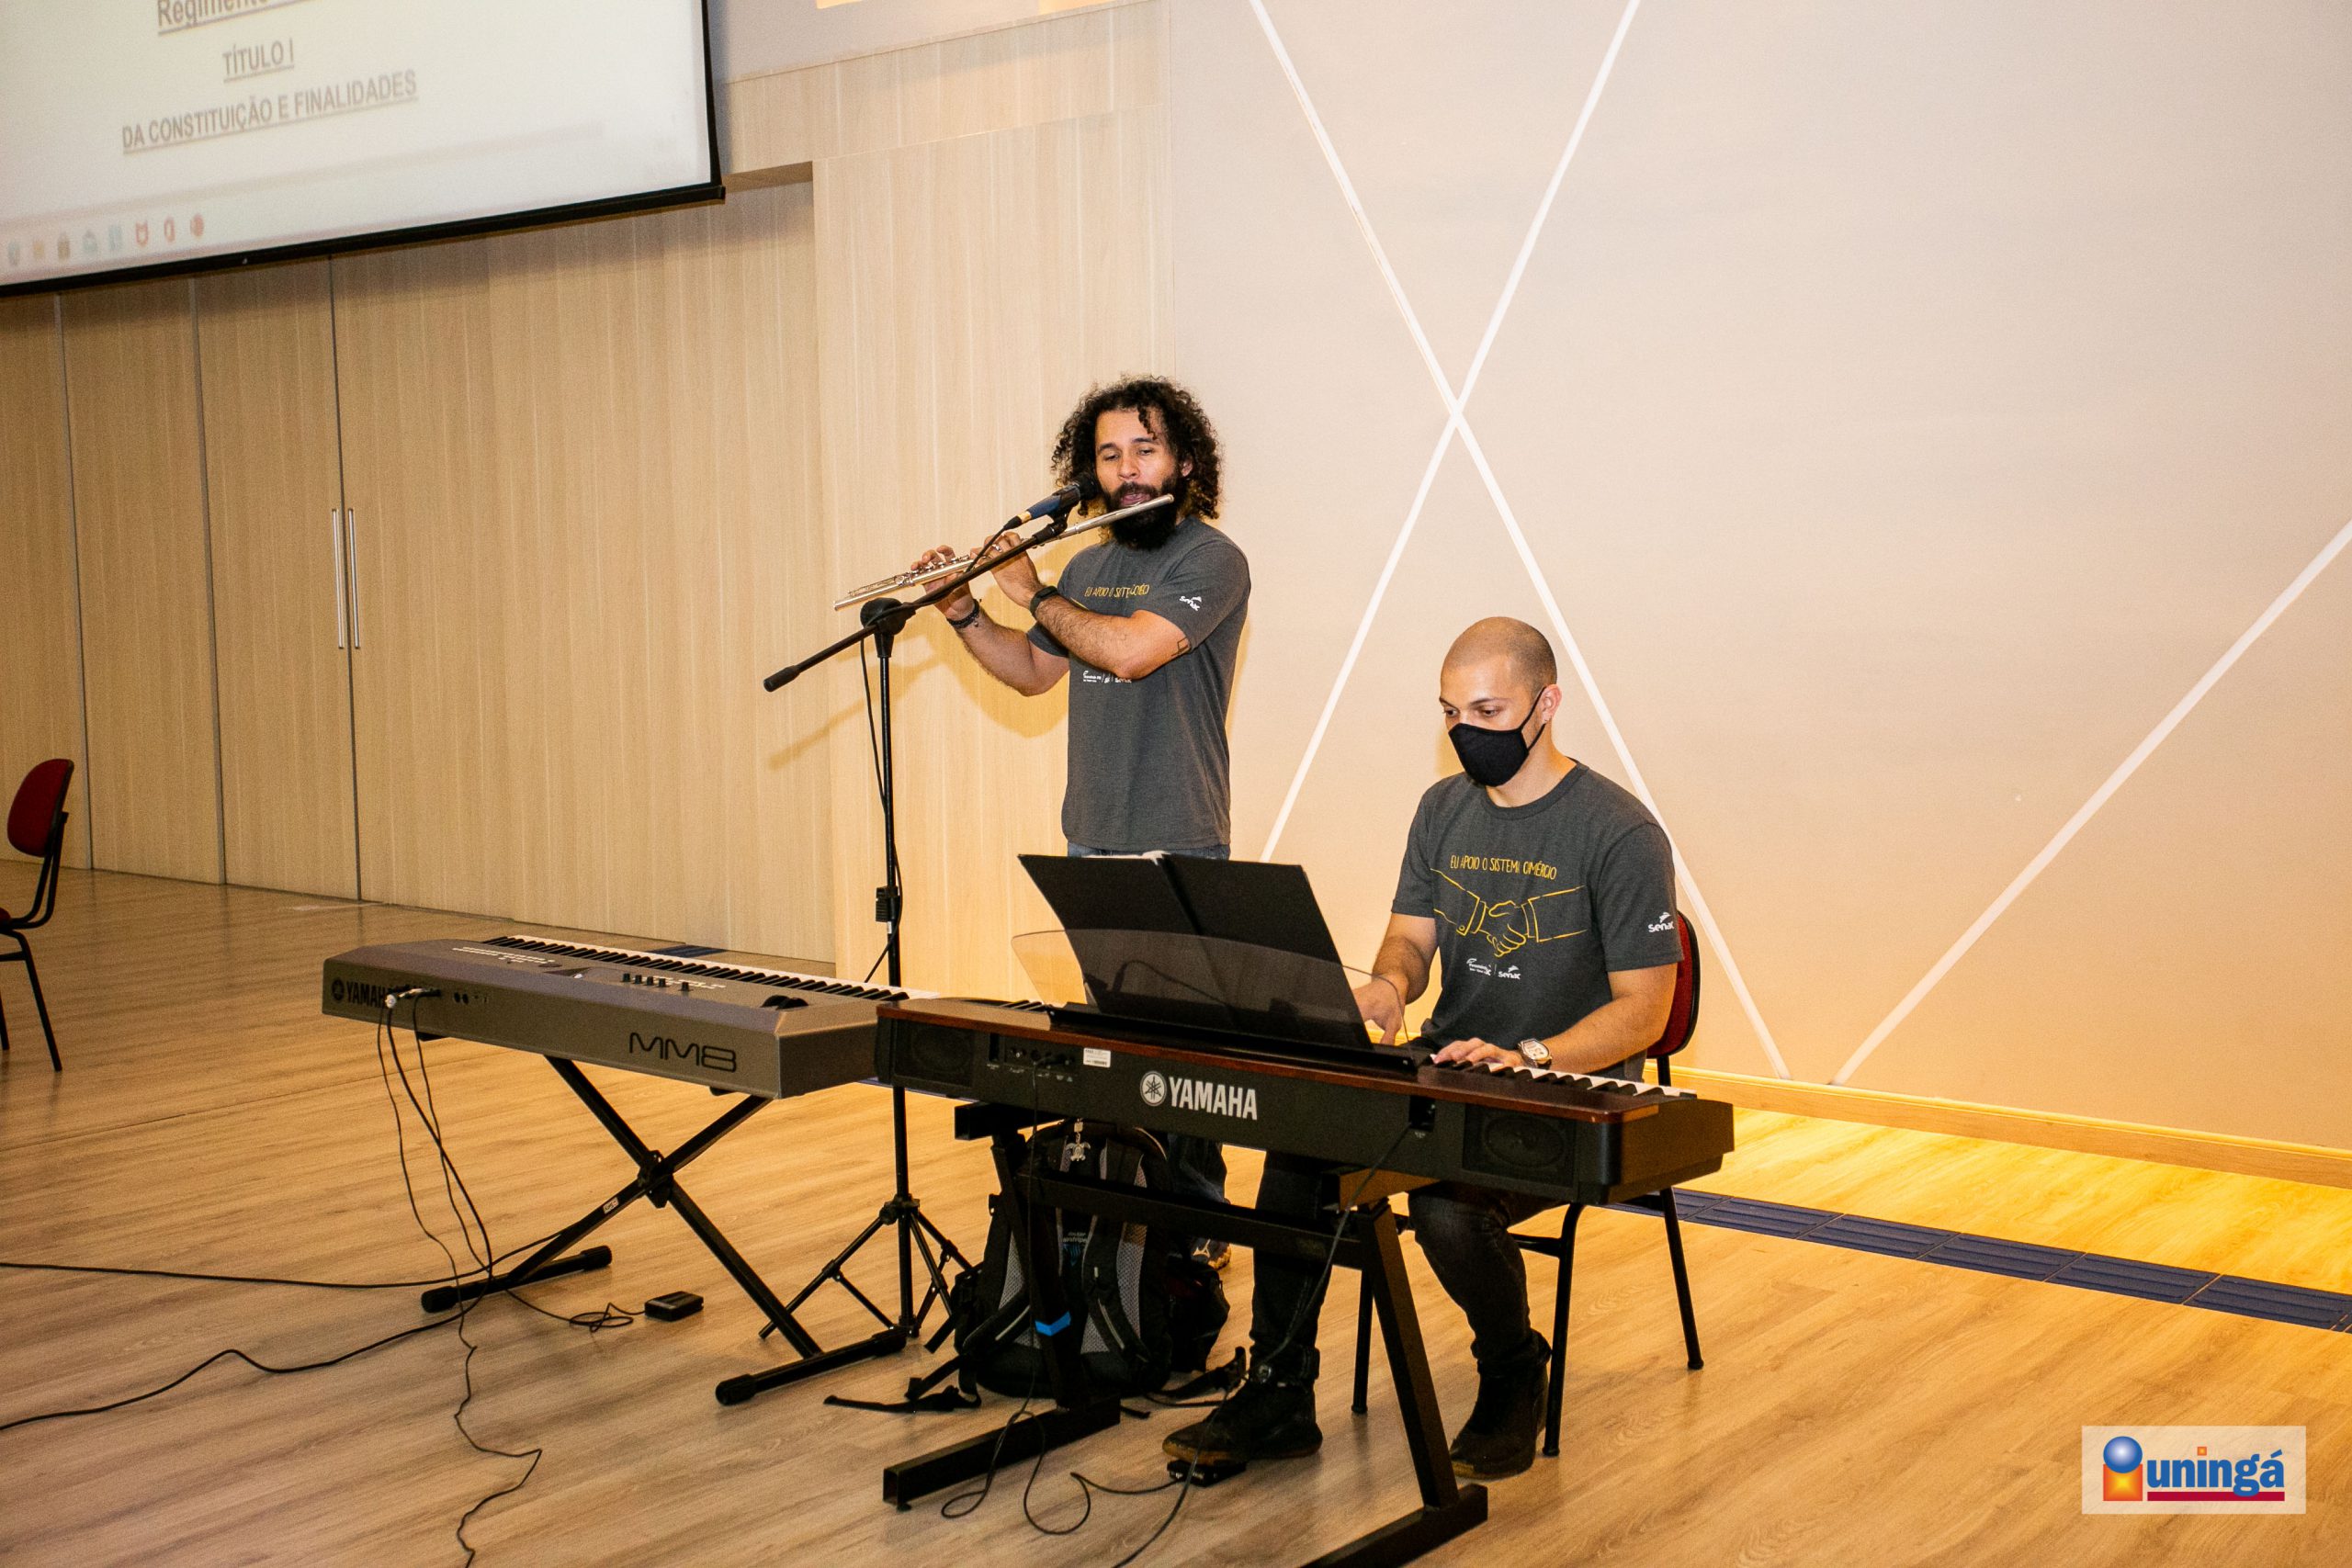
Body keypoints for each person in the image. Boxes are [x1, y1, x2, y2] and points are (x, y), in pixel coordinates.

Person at [1163, 616, 1683, 1480]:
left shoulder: (1620, 832)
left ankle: (1513, 1369)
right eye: (1450, 711)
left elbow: (1646, 1012)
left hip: (1566, 1087)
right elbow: (1409, 939)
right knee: (1298, 1150)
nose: (1464, 729)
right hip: (1450, 1069)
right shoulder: (1443, 810)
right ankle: (1281, 1390)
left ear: (1546, 704)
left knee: (1448, 1205)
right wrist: (1390, 986)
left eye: (1487, 710)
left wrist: (1532, 1055)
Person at [910, 376, 1250, 1254]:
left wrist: (1033, 593)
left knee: (1183, 1056)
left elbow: (1131, 652)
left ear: (1184, 461)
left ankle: (1196, 1227)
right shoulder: (1088, 566)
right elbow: (1033, 673)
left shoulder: (1211, 560)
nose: (1127, 470)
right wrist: (962, 610)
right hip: (1090, 830)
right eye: (1109, 455)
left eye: (1145, 450)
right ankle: (1125, 1220)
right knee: (1111, 1045)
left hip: (1177, 832)